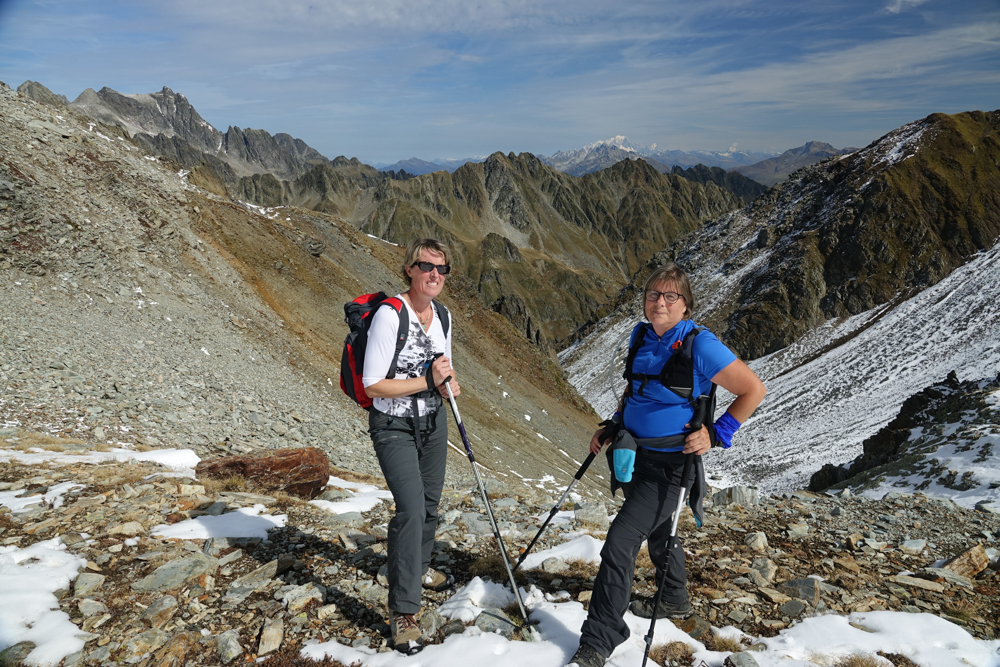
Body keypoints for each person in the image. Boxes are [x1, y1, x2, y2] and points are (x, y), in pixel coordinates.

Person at [567, 263, 766, 667]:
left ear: (685, 305)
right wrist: (615, 425)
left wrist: (717, 432)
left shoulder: (700, 345)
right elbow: (635, 390)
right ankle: (674, 600)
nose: (660, 302)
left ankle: (599, 641)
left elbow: (753, 389)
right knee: (659, 533)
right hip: (638, 453)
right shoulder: (642, 336)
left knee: (622, 541)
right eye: (653, 294)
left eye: (670, 296)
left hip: (673, 464)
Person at [362, 237, 461, 655]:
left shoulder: (442, 316)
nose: (433, 275)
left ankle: (415, 569)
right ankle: (404, 612)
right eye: (425, 266)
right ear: (409, 269)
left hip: (433, 421)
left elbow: (445, 370)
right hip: (393, 424)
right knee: (412, 508)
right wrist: (429, 383)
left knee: (431, 505)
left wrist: (450, 385)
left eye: (441, 269)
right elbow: (373, 384)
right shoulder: (390, 315)